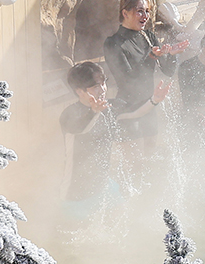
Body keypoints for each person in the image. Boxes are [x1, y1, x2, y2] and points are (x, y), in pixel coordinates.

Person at [59, 61, 171, 201]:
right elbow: (80, 128)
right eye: (95, 86)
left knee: (124, 209)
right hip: (75, 191)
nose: (102, 89)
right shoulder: (69, 114)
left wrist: (155, 99)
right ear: (80, 91)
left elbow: (134, 111)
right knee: (74, 222)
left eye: (103, 83)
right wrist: (93, 112)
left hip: (103, 184)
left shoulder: (110, 107)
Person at [102, 0, 188, 142]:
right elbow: (127, 79)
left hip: (149, 105)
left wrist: (172, 54)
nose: (145, 15)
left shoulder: (148, 36)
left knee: (151, 160)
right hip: (128, 108)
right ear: (125, 13)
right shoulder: (113, 43)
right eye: (140, 11)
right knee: (134, 162)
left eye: (147, 11)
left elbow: (168, 71)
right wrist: (152, 57)